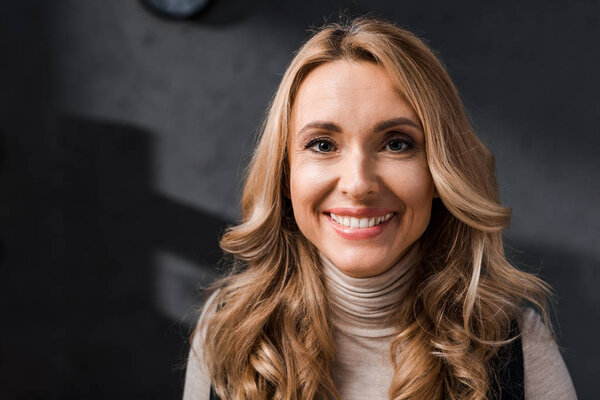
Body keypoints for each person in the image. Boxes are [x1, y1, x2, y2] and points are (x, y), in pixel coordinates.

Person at [183, 17, 577, 400]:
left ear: (441, 173)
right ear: (285, 173)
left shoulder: (517, 348)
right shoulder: (227, 332)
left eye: (397, 144)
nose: (357, 185)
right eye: (322, 144)